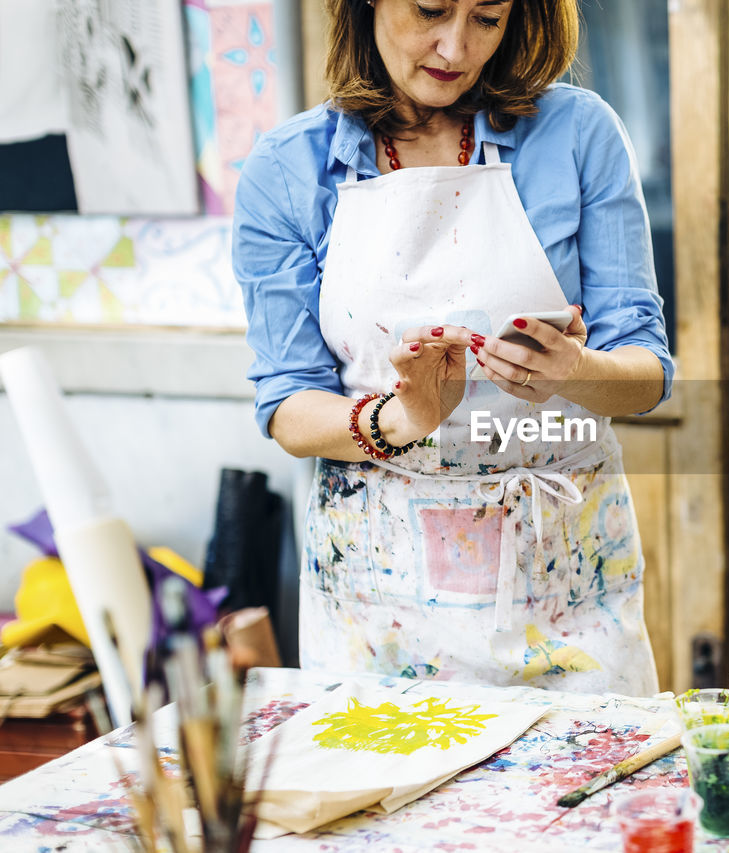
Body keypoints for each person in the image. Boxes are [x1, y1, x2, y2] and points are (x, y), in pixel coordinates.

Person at [232, 0, 672, 697]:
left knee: (584, 795)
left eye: (487, 18)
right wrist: (401, 418)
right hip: (380, 608)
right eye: (431, 10)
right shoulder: (287, 170)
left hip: (566, 589)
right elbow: (288, 404)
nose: (456, 47)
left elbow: (646, 373)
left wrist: (578, 372)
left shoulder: (579, 134)